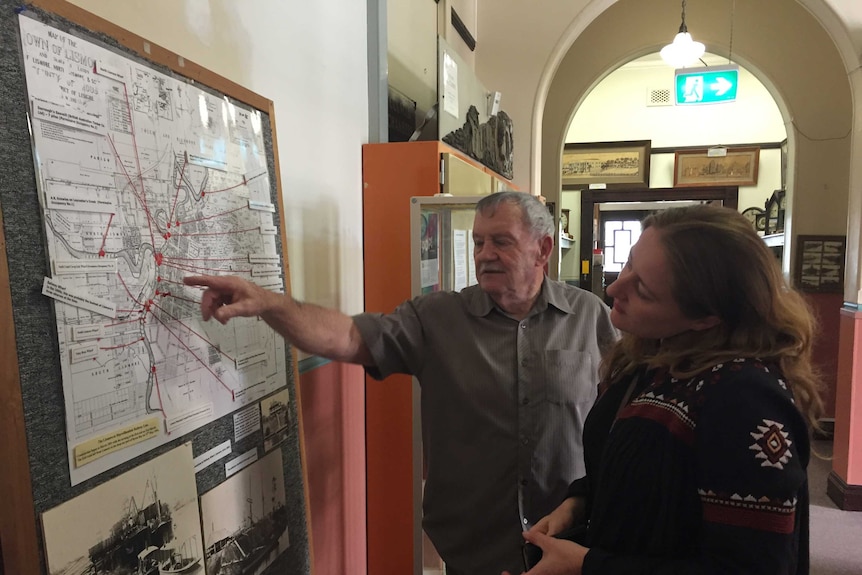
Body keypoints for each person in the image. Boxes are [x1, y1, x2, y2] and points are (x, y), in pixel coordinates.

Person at [184, 191, 618, 575]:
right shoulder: (437, 318)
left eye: (501, 242)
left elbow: (618, 420)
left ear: (543, 250)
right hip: (473, 550)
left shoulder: (591, 317)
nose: (485, 254)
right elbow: (348, 336)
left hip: (567, 542)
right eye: (478, 242)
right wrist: (267, 302)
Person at [510, 204, 823, 575]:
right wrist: (578, 502)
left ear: (705, 317)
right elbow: (620, 468)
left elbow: (753, 566)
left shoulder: (745, 401)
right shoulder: (650, 357)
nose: (614, 287)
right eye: (628, 264)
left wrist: (587, 564)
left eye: (642, 288)